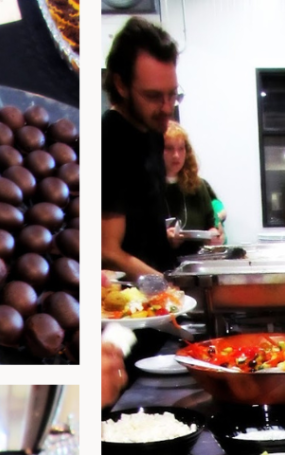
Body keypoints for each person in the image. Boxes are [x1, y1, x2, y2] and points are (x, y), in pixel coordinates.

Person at [102, 17, 180, 280]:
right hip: (128, 308)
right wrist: (166, 291)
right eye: (154, 96)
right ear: (121, 85)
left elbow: (142, 230)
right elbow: (107, 251)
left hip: (154, 294)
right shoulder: (109, 141)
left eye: (173, 94)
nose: (168, 108)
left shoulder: (152, 132)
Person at [163, 122, 225, 251]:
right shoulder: (146, 188)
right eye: (169, 148)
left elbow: (212, 224)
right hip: (158, 266)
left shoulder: (198, 186)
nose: (176, 155)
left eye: (181, 148)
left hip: (195, 263)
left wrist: (215, 236)